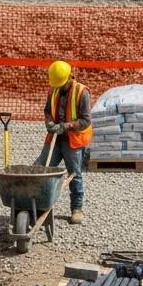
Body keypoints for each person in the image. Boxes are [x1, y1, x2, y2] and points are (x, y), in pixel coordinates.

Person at [36, 60, 91, 225]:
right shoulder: (53, 89)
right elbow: (47, 111)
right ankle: (38, 204)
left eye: (61, 84)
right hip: (55, 137)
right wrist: (50, 124)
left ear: (70, 77)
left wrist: (65, 126)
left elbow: (86, 120)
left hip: (73, 139)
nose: (58, 87)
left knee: (74, 174)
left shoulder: (82, 92)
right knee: (40, 168)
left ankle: (76, 208)